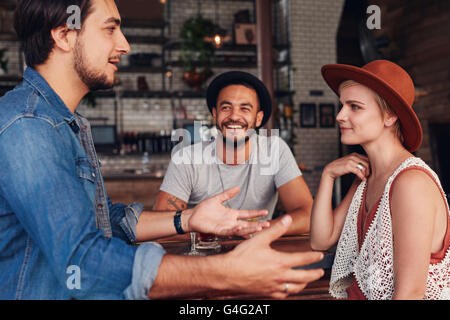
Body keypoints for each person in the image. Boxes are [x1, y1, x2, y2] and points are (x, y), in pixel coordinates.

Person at [0, 0, 325, 300]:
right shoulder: (29, 126)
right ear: (63, 35)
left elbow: (105, 222)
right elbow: (84, 262)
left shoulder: (67, 123)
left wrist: (188, 219)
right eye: (110, 29)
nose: (124, 45)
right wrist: (225, 273)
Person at [310, 59, 450, 300]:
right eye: (342, 105)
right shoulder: (365, 178)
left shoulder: (411, 183)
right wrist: (328, 175)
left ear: (390, 117)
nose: (340, 116)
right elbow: (320, 240)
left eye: (354, 107)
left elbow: (410, 294)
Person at [154, 71, 313, 236]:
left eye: (244, 108)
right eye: (226, 107)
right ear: (215, 115)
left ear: (258, 119)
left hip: (255, 253)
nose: (234, 116)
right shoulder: (187, 158)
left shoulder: (274, 150)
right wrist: (218, 233)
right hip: (201, 257)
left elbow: (307, 215)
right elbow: (162, 225)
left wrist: (253, 231)